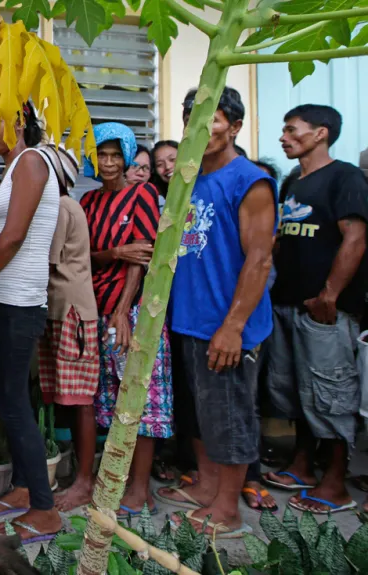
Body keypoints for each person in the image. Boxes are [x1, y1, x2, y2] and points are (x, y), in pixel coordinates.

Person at [155, 87, 277, 537]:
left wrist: (234, 326)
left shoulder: (250, 180)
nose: (202, 128)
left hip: (226, 326)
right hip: (190, 320)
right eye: (193, 118)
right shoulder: (187, 180)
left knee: (230, 417)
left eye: (215, 119)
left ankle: (227, 510)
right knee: (205, 414)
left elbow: (260, 259)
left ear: (236, 127)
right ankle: (208, 488)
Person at [264, 104, 368, 514]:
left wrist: (329, 296)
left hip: (325, 311)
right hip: (288, 306)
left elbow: (356, 240)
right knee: (298, 392)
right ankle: (303, 466)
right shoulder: (293, 181)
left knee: (332, 394)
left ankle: (336, 484)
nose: (284, 137)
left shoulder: (346, 177)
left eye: (292, 130)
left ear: (321, 133)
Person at [0, 103, 62, 542]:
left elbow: (14, 235)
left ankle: (45, 510)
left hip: (18, 301)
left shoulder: (31, 161)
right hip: (5, 299)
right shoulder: (15, 166)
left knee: (11, 401)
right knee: (11, 399)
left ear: (20, 122)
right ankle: (26, 488)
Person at [78, 122, 172, 518]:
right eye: (103, 154)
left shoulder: (144, 194)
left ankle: (139, 489)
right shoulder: (88, 204)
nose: (111, 162)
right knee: (112, 401)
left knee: (141, 398)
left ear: (128, 157)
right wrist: (115, 251)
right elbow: (88, 256)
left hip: (133, 313)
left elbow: (144, 254)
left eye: (118, 155)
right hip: (98, 310)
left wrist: (122, 309)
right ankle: (115, 480)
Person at [36, 147, 103, 513]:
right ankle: (75, 475)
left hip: (71, 312)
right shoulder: (60, 206)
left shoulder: (61, 207)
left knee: (80, 400)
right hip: (60, 311)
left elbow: (44, 259)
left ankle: (84, 481)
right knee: (67, 398)